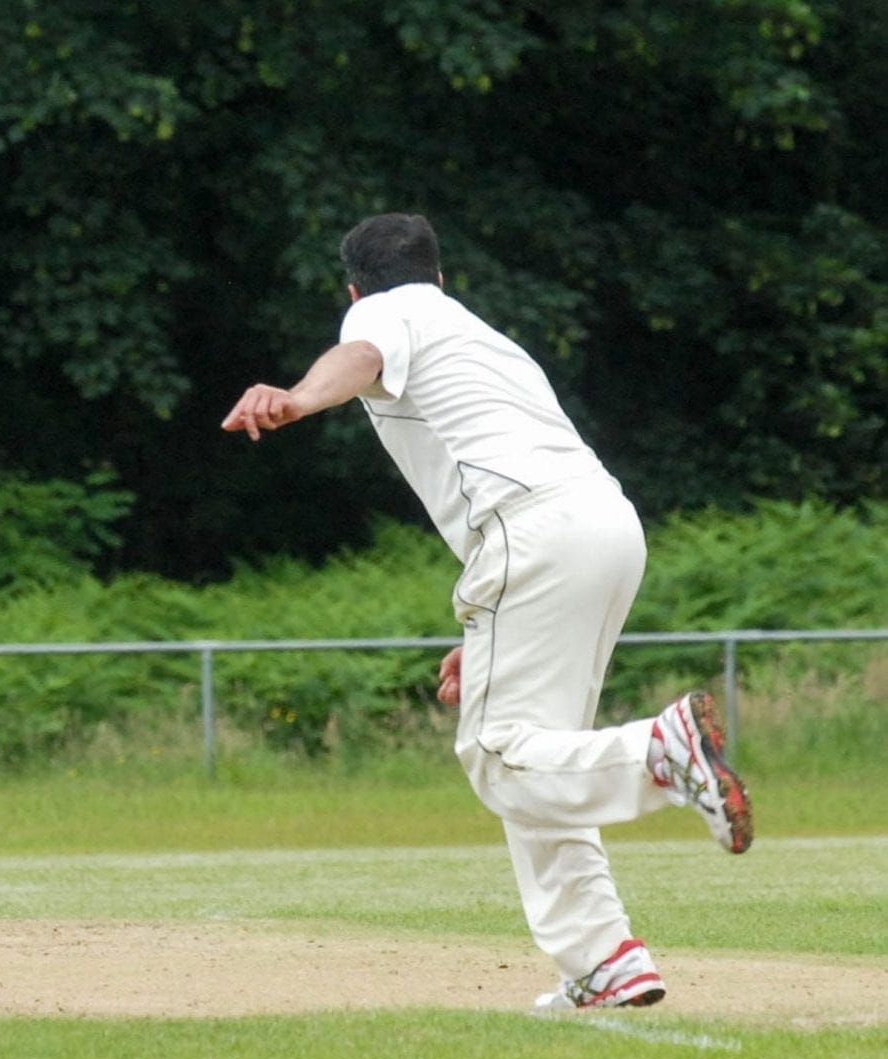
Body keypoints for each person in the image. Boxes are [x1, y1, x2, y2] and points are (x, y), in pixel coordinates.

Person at [220, 213, 753, 1010]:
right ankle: (603, 959)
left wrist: (295, 398)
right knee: (542, 750)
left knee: (501, 759)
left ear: (355, 286)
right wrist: (499, 636)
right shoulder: (478, 333)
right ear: (440, 276)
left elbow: (360, 354)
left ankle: (660, 751)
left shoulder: (381, 312)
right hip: (604, 525)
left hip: (532, 534)